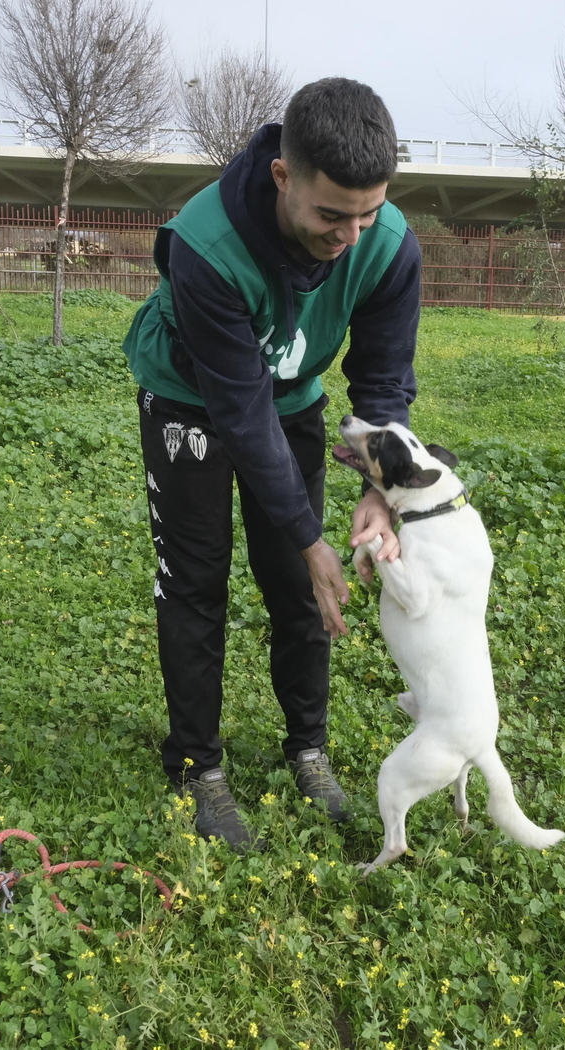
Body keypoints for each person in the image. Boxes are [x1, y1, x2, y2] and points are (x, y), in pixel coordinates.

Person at [121, 78, 421, 849]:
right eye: (331, 214)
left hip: (291, 400)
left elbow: (383, 382)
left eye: (367, 212)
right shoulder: (206, 242)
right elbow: (237, 408)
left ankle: (308, 750)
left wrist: (380, 492)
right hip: (192, 396)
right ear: (284, 177)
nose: (350, 233)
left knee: (299, 585)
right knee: (196, 581)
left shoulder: (387, 246)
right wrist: (305, 530)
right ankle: (197, 766)